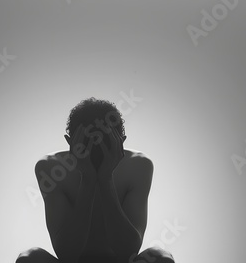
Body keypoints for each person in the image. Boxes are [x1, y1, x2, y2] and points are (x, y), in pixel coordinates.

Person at [16, 98, 175, 263]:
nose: (98, 151)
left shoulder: (139, 165)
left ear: (121, 143)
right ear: (70, 143)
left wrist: (106, 178)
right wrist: (88, 179)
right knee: (28, 258)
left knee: (161, 258)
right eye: (87, 144)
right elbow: (67, 253)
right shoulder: (50, 167)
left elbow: (128, 251)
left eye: (106, 144)